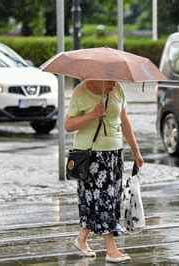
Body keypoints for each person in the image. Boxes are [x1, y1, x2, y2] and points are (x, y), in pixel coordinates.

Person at [65, 79, 144, 263]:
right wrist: (93, 114)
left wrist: (135, 150)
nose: (113, 84)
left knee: (109, 199)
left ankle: (81, 239)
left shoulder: (118, 90)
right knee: (103, 200)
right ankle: (111, 250)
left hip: (114, 153)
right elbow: (68, 125)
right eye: (108, 81)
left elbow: (124, 120)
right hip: (90, 155)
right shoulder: (81, 91)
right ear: (98, 77)